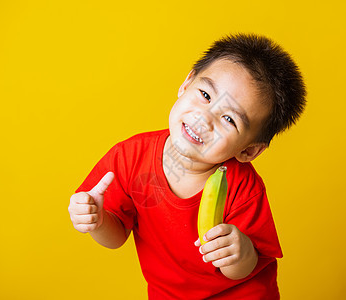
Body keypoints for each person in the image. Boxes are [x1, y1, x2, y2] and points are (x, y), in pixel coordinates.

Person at [68, 33, 306, 299]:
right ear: (186, 83)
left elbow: (243, 269)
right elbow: (116, 237)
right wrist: (98, 221)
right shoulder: (130, 157)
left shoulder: (242, 188)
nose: (204, 119)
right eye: (205, 94)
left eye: (229, 119)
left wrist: (240, 251)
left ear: (248, 150)